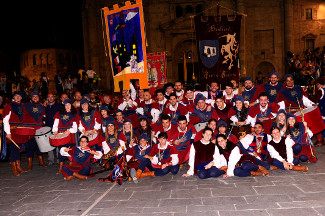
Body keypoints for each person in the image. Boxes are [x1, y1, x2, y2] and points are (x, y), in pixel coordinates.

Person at [3, 91, 28, 176]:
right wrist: (8, 132)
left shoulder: (22, 106)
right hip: (12, 131)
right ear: (13, 97)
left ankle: (19, 167)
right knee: (14, 150)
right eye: (16, 96)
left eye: (19, 96)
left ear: (21, 97)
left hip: (20, 131)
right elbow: (5, 120)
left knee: (18, 149)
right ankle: (14, 169)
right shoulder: (8, 105)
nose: (18, 97)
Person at [52, 99, 79, 174]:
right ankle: (61, 167)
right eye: (66, 105)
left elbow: (75, 128)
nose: (67, 106)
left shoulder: (74, 114)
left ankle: (70, 167)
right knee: (61, 151)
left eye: (69, 105)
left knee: (70, 150)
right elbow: (55, 124)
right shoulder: (59, 114)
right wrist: (55, 131)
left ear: (71, 106)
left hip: (70, 136)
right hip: (60, 135)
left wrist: (69, 131)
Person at [23, 91, 47, 170]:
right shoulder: (26, 105)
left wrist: (43, 124)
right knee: (29, 147)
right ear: (31, 98)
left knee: (39, 146)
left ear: (39, 98)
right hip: (29, 129)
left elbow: (44, 116)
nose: (35, 98)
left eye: (37, 96)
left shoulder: (41, 106)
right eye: (33, 96)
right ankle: (29, 164)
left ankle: (41, 161)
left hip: (39, 129)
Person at [44, 93, 61, 165]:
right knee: (49, 143)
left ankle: (58, 158)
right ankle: (51, 159)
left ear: (54, 98)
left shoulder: (59, 106)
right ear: (47, 98)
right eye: (49, 97)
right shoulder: (44, 106)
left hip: (57, 127)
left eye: (52, 97)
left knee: (57, 143)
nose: (50, 98)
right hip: (48, 127)